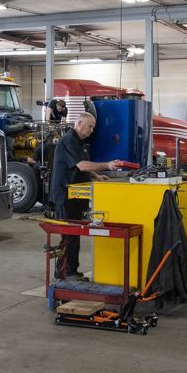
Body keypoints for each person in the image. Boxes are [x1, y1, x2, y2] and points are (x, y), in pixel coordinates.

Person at [47, 112, 121, 279]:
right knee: (69, 235)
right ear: (79, 123)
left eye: (93, 127)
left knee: (74, 234)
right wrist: (107, 165)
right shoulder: (69, 140)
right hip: (65, 196)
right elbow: (81, 165)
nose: (92, 130)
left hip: (75, 196)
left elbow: (81, 165)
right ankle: (66, 272)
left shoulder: (79, 142)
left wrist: (96, 176)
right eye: (90, 126)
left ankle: (68, 271)